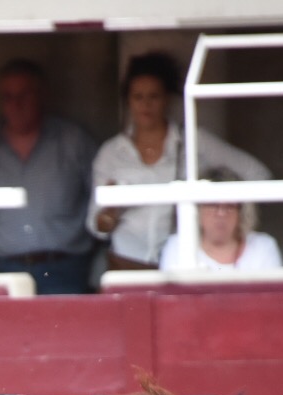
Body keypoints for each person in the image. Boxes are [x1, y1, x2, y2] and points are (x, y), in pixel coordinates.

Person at [88, 52, 271, 271]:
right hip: (125, 261)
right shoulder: (111, 153)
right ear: (128, 101)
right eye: (138, 97)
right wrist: (111, 212)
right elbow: (95, 226)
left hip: (181, 260)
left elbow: (257, 174)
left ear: (167, 99)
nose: (146, 104)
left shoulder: (194, 141)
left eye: (154, 96)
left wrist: (229, 217)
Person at [0, 59, 97, 295]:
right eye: (8, 97)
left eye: (24, 95)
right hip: (2, 268)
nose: (16, 104)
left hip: (65, 270)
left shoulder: (74, 141)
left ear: (42, 96)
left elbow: (96, 200)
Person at [156, 167, 283, 271]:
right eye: (212, 205)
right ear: (198, 210)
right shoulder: (178, 246)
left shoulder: (263, 247)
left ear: (241, 213)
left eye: (229, 206)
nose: (221, 213)